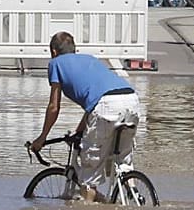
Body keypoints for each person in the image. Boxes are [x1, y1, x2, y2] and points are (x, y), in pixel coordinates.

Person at [31, 31, 141, 202]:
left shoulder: (56, 63)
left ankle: (91, 201)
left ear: (53, 51)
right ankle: (134, 193)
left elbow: (54, 107)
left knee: (89, 176)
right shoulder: (89, 59)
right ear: (75, 49)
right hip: (131, 100)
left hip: (107, 107)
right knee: (122, 162)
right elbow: (94, 103)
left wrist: (42, 138)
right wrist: (79, 131)